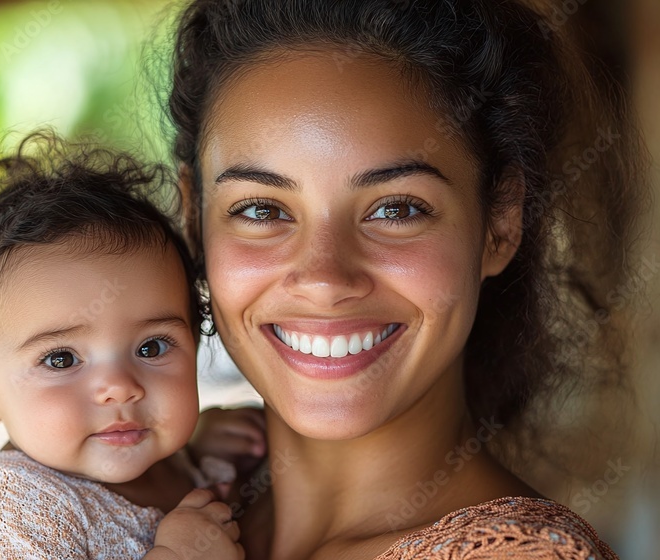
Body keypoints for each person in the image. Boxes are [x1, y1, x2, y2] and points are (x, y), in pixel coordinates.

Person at [165, 0, 649, 558]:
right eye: (261, 210)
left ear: (500, 221)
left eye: (395, 210)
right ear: (194, 220)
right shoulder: (138, 511)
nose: (324, 279)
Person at [0, 132, 263, 559]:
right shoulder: (10, 507)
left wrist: (197, 452)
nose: (119, 387)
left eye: (152, 348)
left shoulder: (179, 464)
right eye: (61, 358)